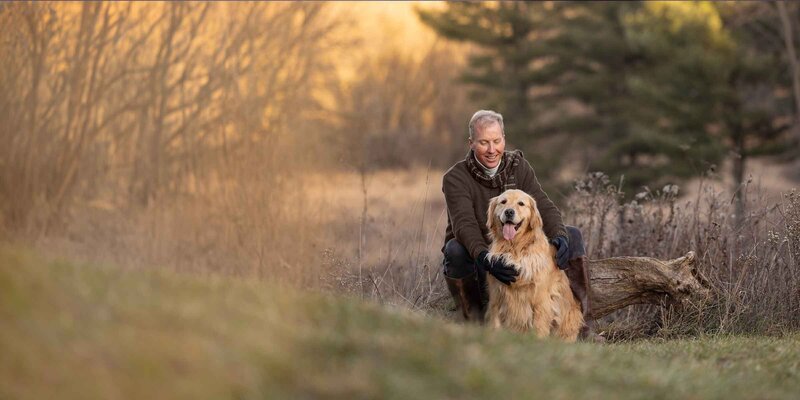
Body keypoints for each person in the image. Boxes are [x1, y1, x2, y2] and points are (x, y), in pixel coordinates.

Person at [442, 110, 594, 339]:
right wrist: (486, 259)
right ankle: (472, 323)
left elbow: (542, 203)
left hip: (518, 244)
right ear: (471, 143)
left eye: (497, 141)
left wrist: (560, 236)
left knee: (572, 234)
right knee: (454, 249)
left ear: (504, 137)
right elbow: (463, 225)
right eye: (484, 143)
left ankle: (581, 326)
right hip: (479, 250)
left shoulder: (517, 165)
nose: (492, 150)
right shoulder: (456, 177)